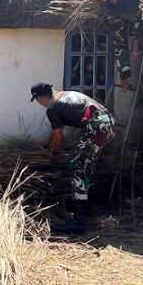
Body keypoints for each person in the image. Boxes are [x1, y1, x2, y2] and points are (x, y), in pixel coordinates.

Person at [30, 82, 115, 232]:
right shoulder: (63, 97)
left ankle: (80, 221)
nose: (39, 104)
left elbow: (59, 136)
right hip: (105, 122)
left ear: (40, 98)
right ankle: (86, 209)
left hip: (97, 126)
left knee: (78, 166)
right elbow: (58, 127)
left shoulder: (52, 107)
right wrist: (47, 143)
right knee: (85, 167)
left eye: (37, 101)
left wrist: (54, 155)